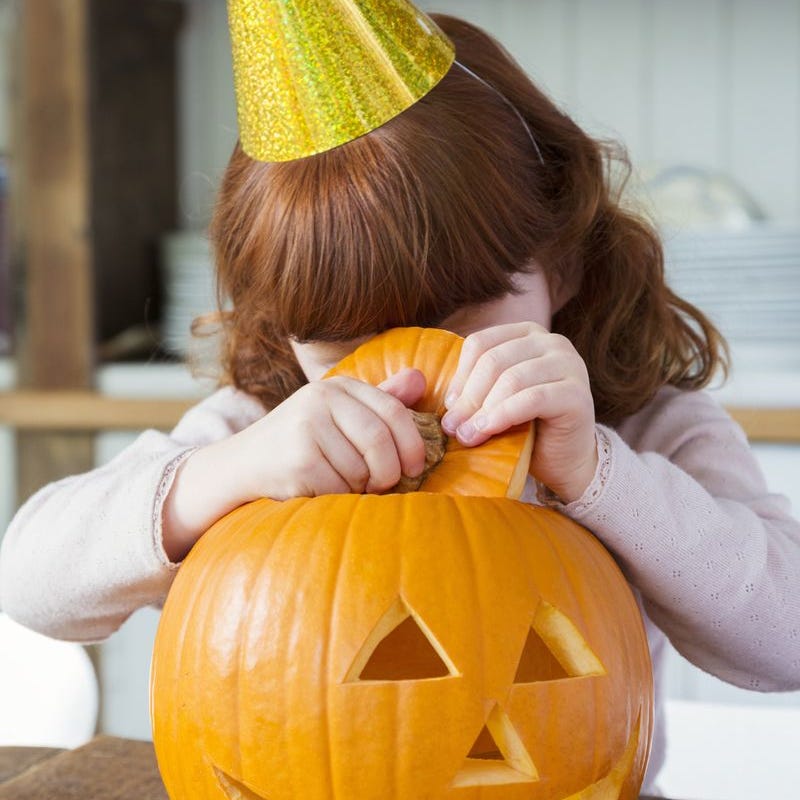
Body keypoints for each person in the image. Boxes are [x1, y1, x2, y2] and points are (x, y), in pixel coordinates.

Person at [2, 9, 799, 794]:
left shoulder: (643, 429)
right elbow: (28, 582)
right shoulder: (262, 432)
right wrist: (219, 479)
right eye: (347, 338)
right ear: (283, 326)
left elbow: (787, 641)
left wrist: (598, 476)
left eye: (462, 311)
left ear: (563, 260)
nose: (408, 366)